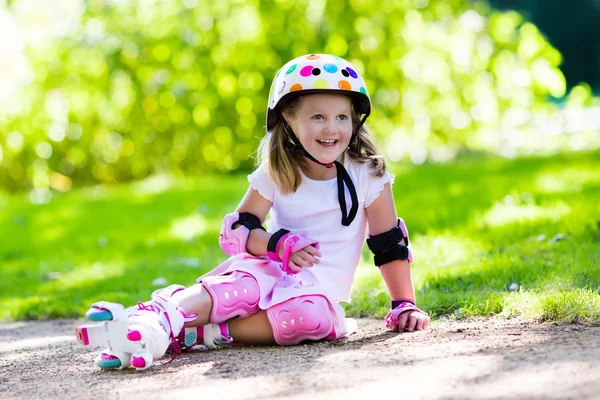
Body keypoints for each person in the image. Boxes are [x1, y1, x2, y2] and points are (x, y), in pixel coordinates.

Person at [75, 54, 430, 371]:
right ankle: (158, 317)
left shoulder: (368, 174)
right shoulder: (279, 171)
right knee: (241, 289)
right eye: (317, 116)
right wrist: (278, 244)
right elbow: (237, 231)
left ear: (355, 121)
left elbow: (388, 243)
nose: (331, 128)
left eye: (341, 117)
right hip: (271, 267)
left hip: (318, 291)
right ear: (289, 120)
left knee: (310, 319)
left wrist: (403, 303)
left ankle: (195, 333)